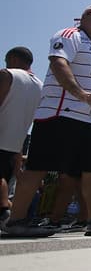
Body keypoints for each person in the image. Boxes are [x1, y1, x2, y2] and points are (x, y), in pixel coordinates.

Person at [4, 4, 91, 238]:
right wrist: (81, 94)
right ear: (86, 17)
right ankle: (15, 219)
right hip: (59, 114)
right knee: (38, 166)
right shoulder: (70, 35)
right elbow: (58, 63)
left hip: (87, 121)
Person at [0, 47, 43, 231]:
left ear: (14, 59)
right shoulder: (40, 86)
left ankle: (5, 212)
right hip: (17, 143)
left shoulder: (7, 74)